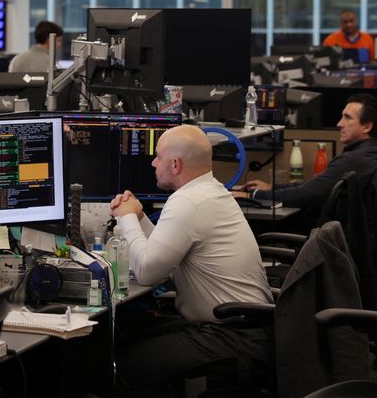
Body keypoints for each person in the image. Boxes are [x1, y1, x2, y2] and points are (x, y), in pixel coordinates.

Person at [110, 125, 273, 391]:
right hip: (245, 328)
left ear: (175, 164)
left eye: (158, 156)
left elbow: (149, 272)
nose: (153, 162)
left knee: (125, 364)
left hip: (232, 335)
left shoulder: (188, 202)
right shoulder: (209, 191)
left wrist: (126, 217)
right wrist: (139, 218)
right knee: (128, 338)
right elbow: (167, 258)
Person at [236, 94, 377, 208]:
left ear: (367, 127)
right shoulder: (369, 154)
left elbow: (306, 194)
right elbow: (314, 186)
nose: (339, 123)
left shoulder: (354, 160)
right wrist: (272, 187)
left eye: (348, 118)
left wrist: (251, 195)